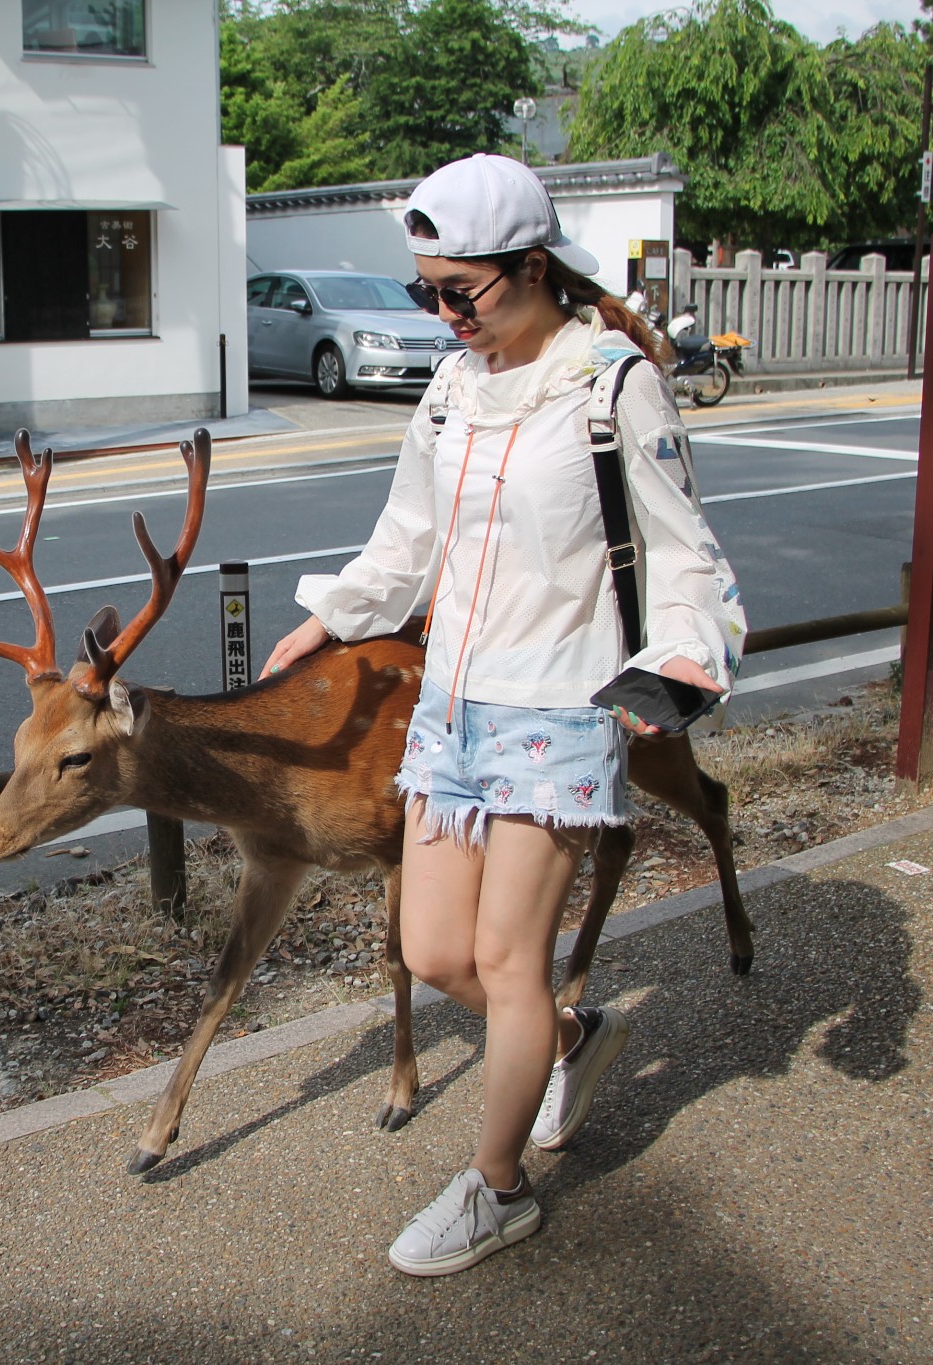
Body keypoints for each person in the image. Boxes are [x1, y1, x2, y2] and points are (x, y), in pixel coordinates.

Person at [261, 154, 746, 1277]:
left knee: (506, 961)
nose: (439, 314)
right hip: (451, 706)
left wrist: (672, 671)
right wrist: (328, 620)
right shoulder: (450, 387)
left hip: (560, 707)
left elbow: (684, 556)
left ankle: (495, 1188)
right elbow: (405, 539)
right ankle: (576, 1040)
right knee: (433, 953)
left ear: (531, 268)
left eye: (456, 293)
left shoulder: (610, 383)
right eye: (425, 291)